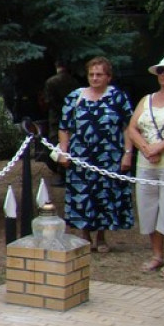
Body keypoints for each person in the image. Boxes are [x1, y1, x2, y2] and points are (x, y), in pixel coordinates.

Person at [57, 56, 134, 252]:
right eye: (91, 74)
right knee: (83, 195)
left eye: (99, 74)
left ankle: (101, 236)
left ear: (108, 77)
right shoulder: (75, 97)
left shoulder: (118, 97)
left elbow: (128, 127)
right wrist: (63, 152)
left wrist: (128, 153)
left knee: (105, 195)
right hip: (81, 157)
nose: (94, 78)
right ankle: (84, 235)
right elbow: (64, 128)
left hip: (109, 156)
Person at [127, 56, 164, 273]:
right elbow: (133, 127)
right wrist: (145, 147)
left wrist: (158, 148)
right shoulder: (147, 100)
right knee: (149, 208)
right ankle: (157, 255)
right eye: (161, 71)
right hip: (146, 164)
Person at [43, 60, 79, 186]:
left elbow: (48, 101)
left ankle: (61, 173)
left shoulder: (51, 82)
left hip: (56, 117)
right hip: (71, 116)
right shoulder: (73, 81)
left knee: (55, 144)